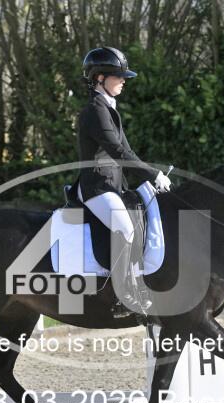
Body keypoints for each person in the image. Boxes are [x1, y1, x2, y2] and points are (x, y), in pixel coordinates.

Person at [74, 46, 172, 317]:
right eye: (118, 76)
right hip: (96, 187)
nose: (123, 81)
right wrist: (153, 174)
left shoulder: (108, 108)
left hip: (113, 186)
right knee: (125, 228)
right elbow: (117, 152)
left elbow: (127, 151)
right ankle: (122, 295)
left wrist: (150, 178)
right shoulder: (95, 110)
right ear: (99, 78)